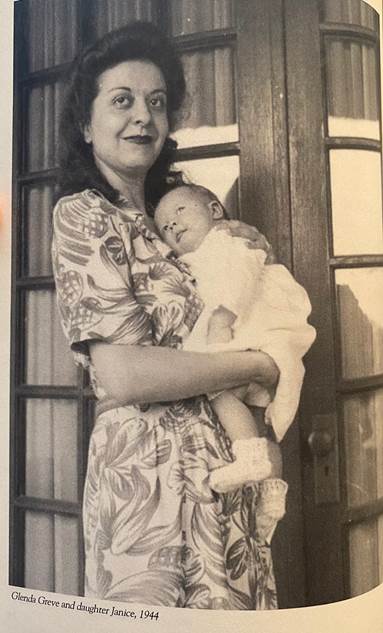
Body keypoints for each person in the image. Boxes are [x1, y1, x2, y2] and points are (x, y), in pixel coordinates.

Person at [52, 21, 285, 610]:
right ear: (86, 124)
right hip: (144, 481)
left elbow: (248, 295)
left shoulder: (174, 220)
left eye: (156, 103)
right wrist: (254, 362)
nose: (143, 117)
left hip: (225, 476)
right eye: (122, 100)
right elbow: (125, 377)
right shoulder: (83, 217)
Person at [154, 184, 316, 534]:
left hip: (252, 329)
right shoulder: (196, 257)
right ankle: (272, 495)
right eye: (165, 227)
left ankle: (249, 458)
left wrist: (222, 316)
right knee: (260, 421)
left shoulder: (228, 240)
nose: (173, 226)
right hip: (258, 339)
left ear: (215, 210)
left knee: (219, 390)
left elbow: (242, 275)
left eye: (180, 212)